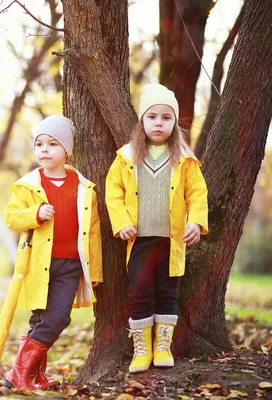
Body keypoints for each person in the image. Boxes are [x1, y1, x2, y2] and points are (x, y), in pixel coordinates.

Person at [105, 83, 208, 373]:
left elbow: (197, 193)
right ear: (142, 121)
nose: (159, 123)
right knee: (139, 291)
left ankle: (163, 347)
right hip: (139, 240)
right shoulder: (126, 157)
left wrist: (196, 222)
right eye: (152, 117)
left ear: (174, 122)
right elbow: (112, 192)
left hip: (171, 240)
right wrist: (122, 222)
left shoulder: (185, 159)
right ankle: (142, 349)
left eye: (166, 117)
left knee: (167, 291)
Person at [2, 115, 103, 390]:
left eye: (52, 144)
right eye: (39, 144)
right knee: (41, 319)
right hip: (38, 264)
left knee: (59, 317)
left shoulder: (83, 188)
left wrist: (93, 271)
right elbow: (11, 218)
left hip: (69, 266)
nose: (44, 149)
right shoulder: (28, 186)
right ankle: (29, 375)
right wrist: (35, 213)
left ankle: (19, 374)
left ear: (67, 151)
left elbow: (92, 231)